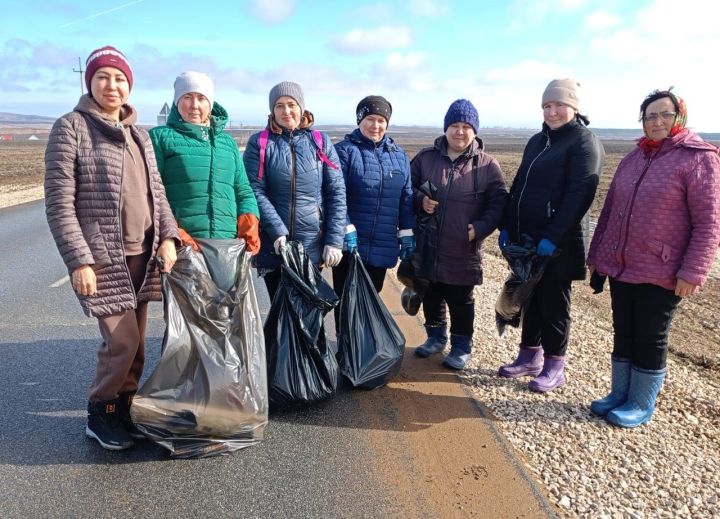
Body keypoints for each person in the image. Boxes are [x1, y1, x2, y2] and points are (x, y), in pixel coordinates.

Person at [44, 46, 179, 450]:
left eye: (119, 78)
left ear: (129, 85)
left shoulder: (139, 133)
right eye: (103, 77)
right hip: (103, 257)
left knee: (136, 343)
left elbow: (158, 192)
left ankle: (124, 408)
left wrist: (169, 236)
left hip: (143, 253)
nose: (112, 85)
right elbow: (58, 201)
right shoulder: (71, 128)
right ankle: (99, 412)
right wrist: (79, 260)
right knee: (120, 342)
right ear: (90, 82)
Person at [587, 88, 720, 427]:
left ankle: (641, 403)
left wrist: (692, 271)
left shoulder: (699, 158)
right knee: (624, 331)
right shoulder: (634, 158)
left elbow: (709, 222)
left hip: (663, 268)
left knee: (651, 334)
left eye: (665, 114)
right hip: (622, 264)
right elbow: (611, 211)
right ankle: (620, 394)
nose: (657, 121)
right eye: (650, 116)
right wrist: (599, 257)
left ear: (680, 116)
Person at [497, 79, 603, 392]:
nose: (552, 112)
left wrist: (553, 236)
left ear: (575, 107)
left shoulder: (583, 142)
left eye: (558, 105)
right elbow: (519, 186)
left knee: (555, 303)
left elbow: (579, 195)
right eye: (547, 106)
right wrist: (507, 224)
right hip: (527, 239)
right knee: (531, 298)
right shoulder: (537, 141)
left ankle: (555, 365)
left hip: (560, 243)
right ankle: (529, 357)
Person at [411, 99, 508, 370]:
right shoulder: (425, 158)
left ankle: (462, 346)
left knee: (460, 299)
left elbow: (499, 202)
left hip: (463, 247)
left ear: (475, 131)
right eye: (454, 125)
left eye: (466, 126)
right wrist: (420, 200)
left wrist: (480, 228)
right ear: (446, 128)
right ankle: (435, 337)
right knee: (431, 292)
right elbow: (407, 189)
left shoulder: (487, 165)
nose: (460, 132)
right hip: (429, 244)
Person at [243, 81, 347, 301]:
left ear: (301, 107)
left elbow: (336, 193)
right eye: (279, 105)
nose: (286, 111)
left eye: (291, 104)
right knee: (281, 315)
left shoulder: (320, 142)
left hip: (311, 244)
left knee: (310, 313)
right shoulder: (260, 143)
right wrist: (277, 231)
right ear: (272, 110)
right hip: (275, 245)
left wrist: (334, 241)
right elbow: (254, 189)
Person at [149, 71, 260, 252]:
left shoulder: (227, 143)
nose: (194, 105)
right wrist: (173, 232)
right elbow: (152, 192)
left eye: (201, 98)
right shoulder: (160, 138)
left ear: (210, 103)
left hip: (228, 245)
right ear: (177, 102)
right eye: (187, 97)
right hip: (182, 246)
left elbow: (243, 190)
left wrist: (249, 228)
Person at [332, 95, 414, 313]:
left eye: (381, 120)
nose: (375, 125)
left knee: (369, 301)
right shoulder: (344, 152)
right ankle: (345, 344)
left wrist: (406, 233)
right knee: (345, 301)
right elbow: (334, 194)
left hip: (382, 242)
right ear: (360, 120)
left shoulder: (399, 157)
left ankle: (363, 345)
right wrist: (345, 226)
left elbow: (406, 198)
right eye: (370, 119)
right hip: (349, 243)